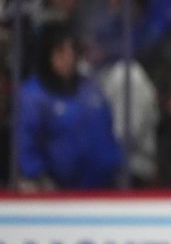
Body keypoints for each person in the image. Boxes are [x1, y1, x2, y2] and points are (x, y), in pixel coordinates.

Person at [16, 20, 122, 191]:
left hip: (104, 188)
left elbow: (108, 130)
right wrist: (40, 178)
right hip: (55, 192)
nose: (69, 57)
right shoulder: (33, 95)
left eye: (72, 49)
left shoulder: (90, 88)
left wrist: (115, 164)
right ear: (47, 54)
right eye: (60, 50)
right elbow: (26, 145)